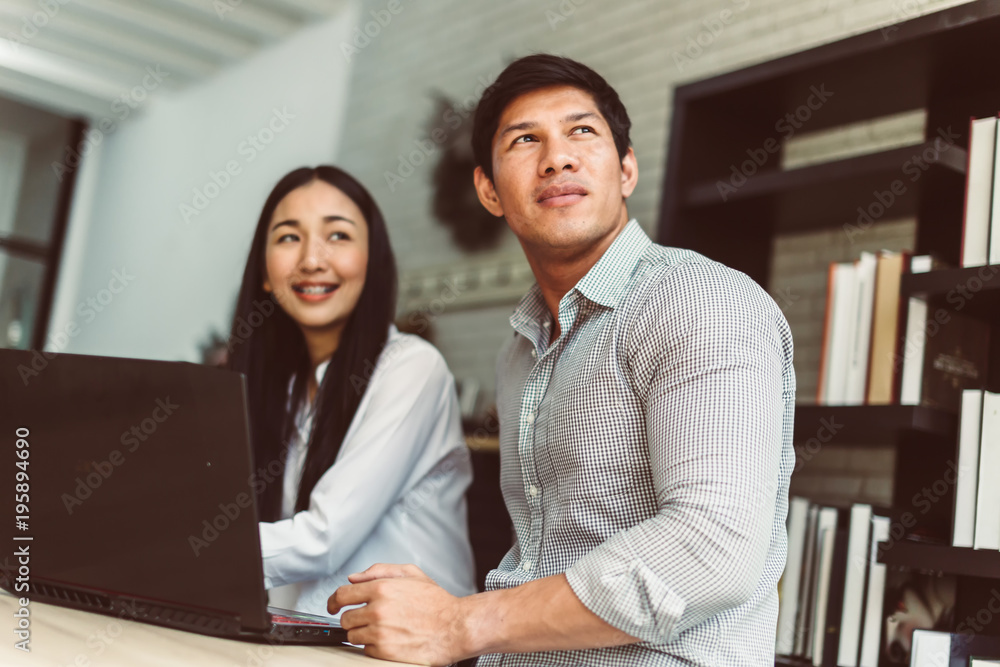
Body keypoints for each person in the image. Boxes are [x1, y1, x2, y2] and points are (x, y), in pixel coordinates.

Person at [327, 55, 796, 666]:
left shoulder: (698, 302)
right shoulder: (521, 347)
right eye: (526, 140)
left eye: (582, 131)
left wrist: (460, 623)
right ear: (489, 191)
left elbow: (712, 547)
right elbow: (541, 555)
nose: (557, 157)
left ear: (626, 168)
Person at [226, 165, 476, 617]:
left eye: (338, 236)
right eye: (288, 237)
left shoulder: (411, 367)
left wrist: (176, 546)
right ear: (264, 273)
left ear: (372, 261)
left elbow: (323, 539)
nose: (311, 260)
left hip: (409, 648)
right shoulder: (275, 391)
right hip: (299, 636)